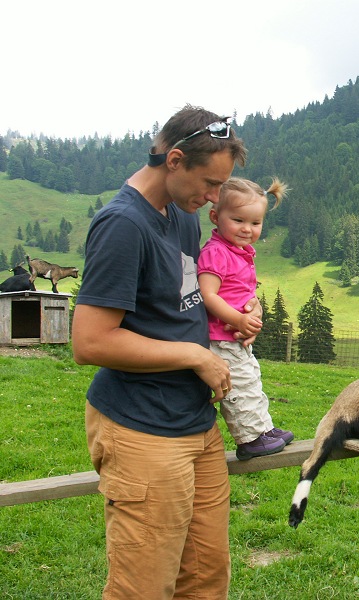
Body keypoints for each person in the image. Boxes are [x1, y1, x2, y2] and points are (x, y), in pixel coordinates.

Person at [72, 105, 249, 599]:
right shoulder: (122, 225)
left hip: (195, 424)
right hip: (142, 430)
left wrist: (231, 326)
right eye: (210, 184)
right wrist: (195, 358)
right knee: (143, 589)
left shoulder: (181, 216)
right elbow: (90, 342)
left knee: (205, 580)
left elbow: (180, 302)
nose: (215, 198)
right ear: (174, 159)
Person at [198, 177, 294, 460]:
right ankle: (250, 439)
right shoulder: (216, 253)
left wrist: (253, 309)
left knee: (251, 379)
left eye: (255, 223)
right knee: (237, 384)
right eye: (238, 220)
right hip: (220, 337)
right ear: (216, 216)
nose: (247, 229)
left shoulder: (237, 251)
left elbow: (240, 291)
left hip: (233, 337)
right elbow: (209, 295)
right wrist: (239, 321)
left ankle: (263, 429)